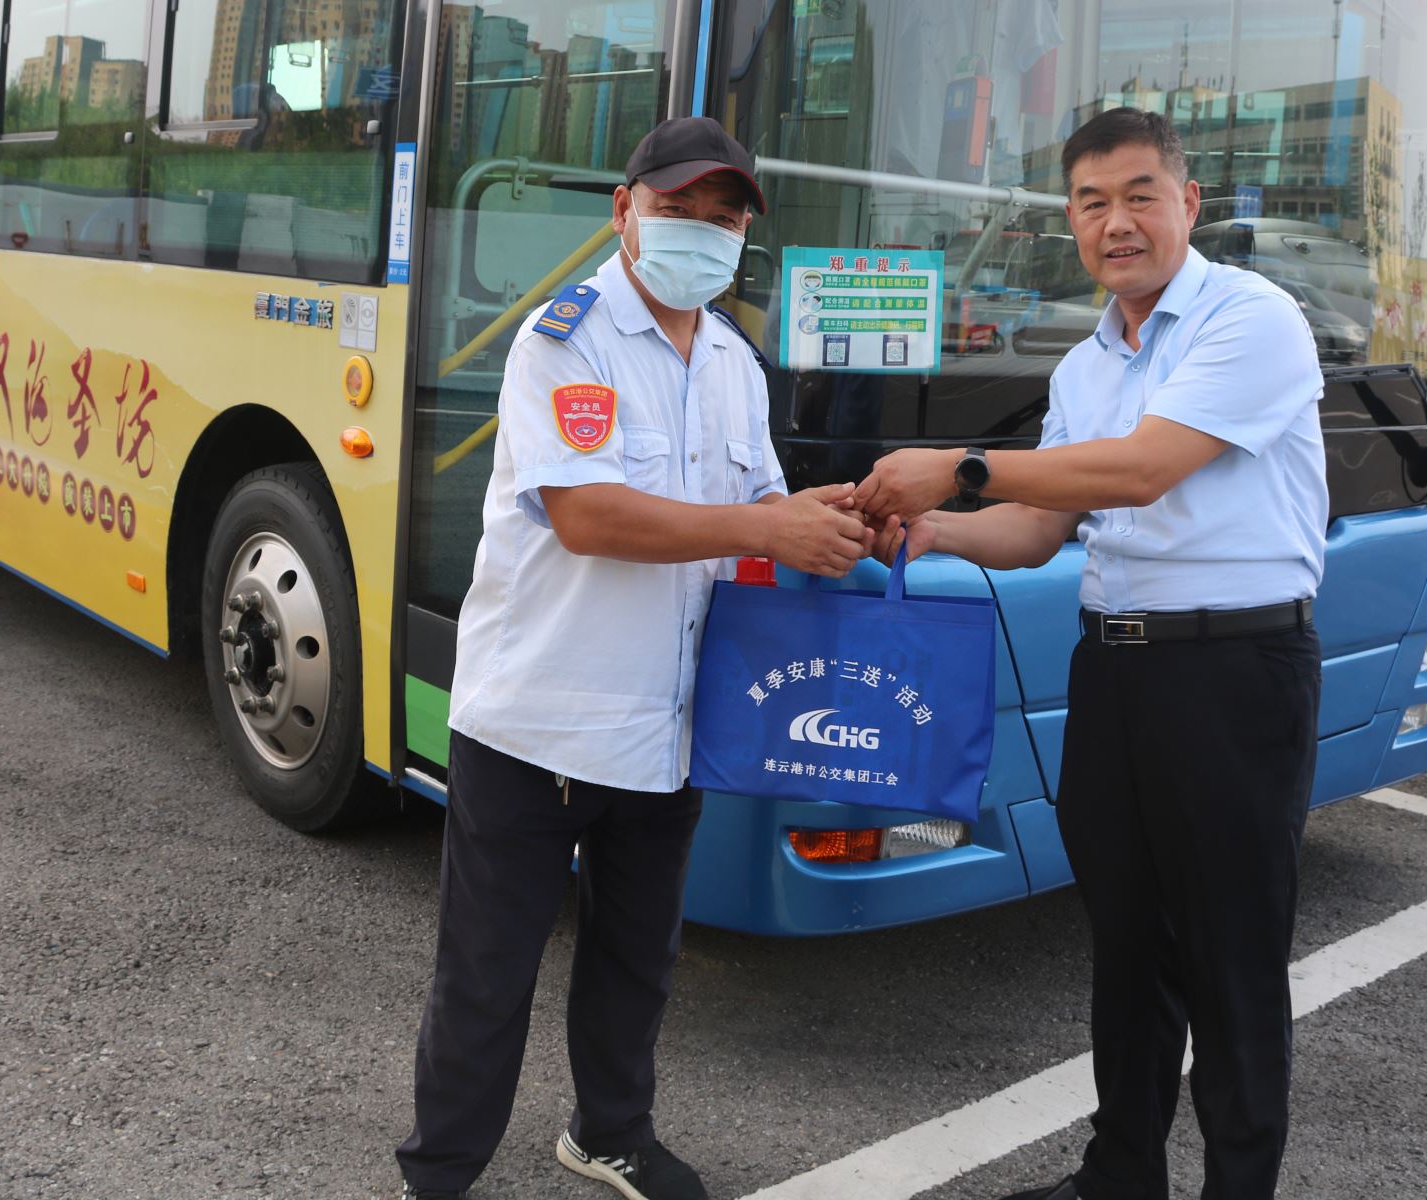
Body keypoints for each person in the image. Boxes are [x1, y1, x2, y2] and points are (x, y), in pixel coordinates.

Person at [395, 117, 871, 1200]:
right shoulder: (566, 339)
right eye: (677, 209)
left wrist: (837, 520)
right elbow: (589, 516)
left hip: (666, 724)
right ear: (625, 211)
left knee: (636, 958)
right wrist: (764, 527)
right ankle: (439, 1173)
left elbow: (757, 508)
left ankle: (610, 1133)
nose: (701, 232)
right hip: (539, 722)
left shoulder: (734, 363)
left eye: (723, 218)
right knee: (488, 972)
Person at [856, 107, 1326, 1200]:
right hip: (1113, 670)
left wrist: (958, 466)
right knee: (1125, 939)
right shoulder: (1085, 364)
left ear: (1188, 203)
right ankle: (1119, 1177)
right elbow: (1035, 531)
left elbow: (1140, 471)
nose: (1117, 222)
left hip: (1233, 673)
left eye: (1139, 196)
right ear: (1068, 220)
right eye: (1091, 202)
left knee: (1230, 955)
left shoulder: (1250, 318)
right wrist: (921, 531)